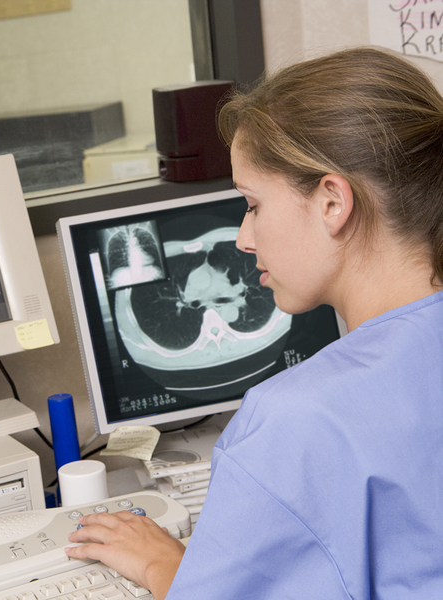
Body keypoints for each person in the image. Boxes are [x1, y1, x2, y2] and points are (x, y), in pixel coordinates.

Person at [64, 46, 443, 599]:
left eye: (253, 204)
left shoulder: (297, 422)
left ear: (332, 202)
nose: (244, 238)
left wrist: (166, 566)